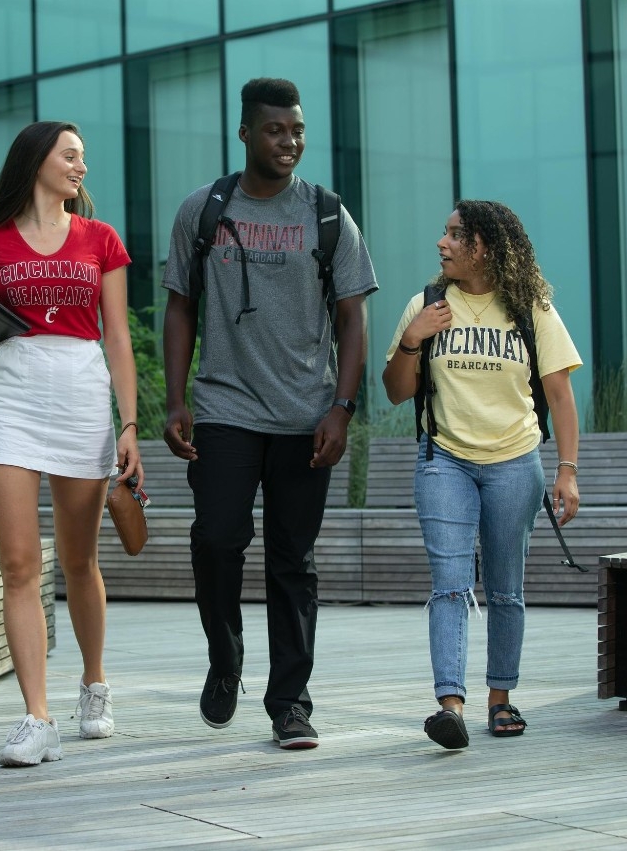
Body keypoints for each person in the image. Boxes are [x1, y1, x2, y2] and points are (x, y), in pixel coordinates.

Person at [161, 78, 377, 749]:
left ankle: (290, 702)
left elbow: (352, 316)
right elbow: (179, 306)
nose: (290, 141)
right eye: (277, 129)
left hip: (304, 415)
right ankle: (225, 659)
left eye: (298, 130)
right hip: (225, 405)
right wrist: (174, 400)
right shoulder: (204, 209)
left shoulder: (327, 213)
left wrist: (341, 408)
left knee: (293, 560)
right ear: (246, 133)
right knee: (217, 538)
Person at [0, 121, 142, 766]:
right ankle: (37, 717)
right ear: (36, 161)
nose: (80, 166)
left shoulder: (100, 240)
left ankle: (94, 681)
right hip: (10, 397)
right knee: (18, 565)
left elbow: (118, 337)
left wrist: (131, 424)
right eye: (70, 155)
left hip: (82, 395)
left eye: (82, 157)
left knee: (79, 560)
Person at [382, 200, 581, 749]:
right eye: (443, 233)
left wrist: (566, 470)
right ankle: (451, 704)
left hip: (515, 462)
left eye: (453, 235)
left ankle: (501, 698)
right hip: (444, 459)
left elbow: (560, 395)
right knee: (450, 585)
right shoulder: (426, 304)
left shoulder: (530, 308)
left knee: (505, 589)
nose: (441, 244)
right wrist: (412, 339)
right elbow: (397, 390)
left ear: (483, 246)